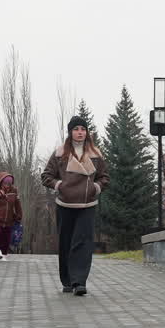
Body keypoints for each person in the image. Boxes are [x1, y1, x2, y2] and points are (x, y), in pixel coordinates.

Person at [41, 116, 108, 295]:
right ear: (70, 132)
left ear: (87, 132)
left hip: (87, 204)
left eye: (83, 129)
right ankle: (68, 281)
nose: (80, 132)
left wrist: (96, 187)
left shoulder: (95, 154)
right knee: (66, 242)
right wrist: (59, 186)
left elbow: (104, 177)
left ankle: (79, 282)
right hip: (65, 204)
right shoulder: (59, 153)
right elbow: (46, 176)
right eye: (76, 129)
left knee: (83, 242)